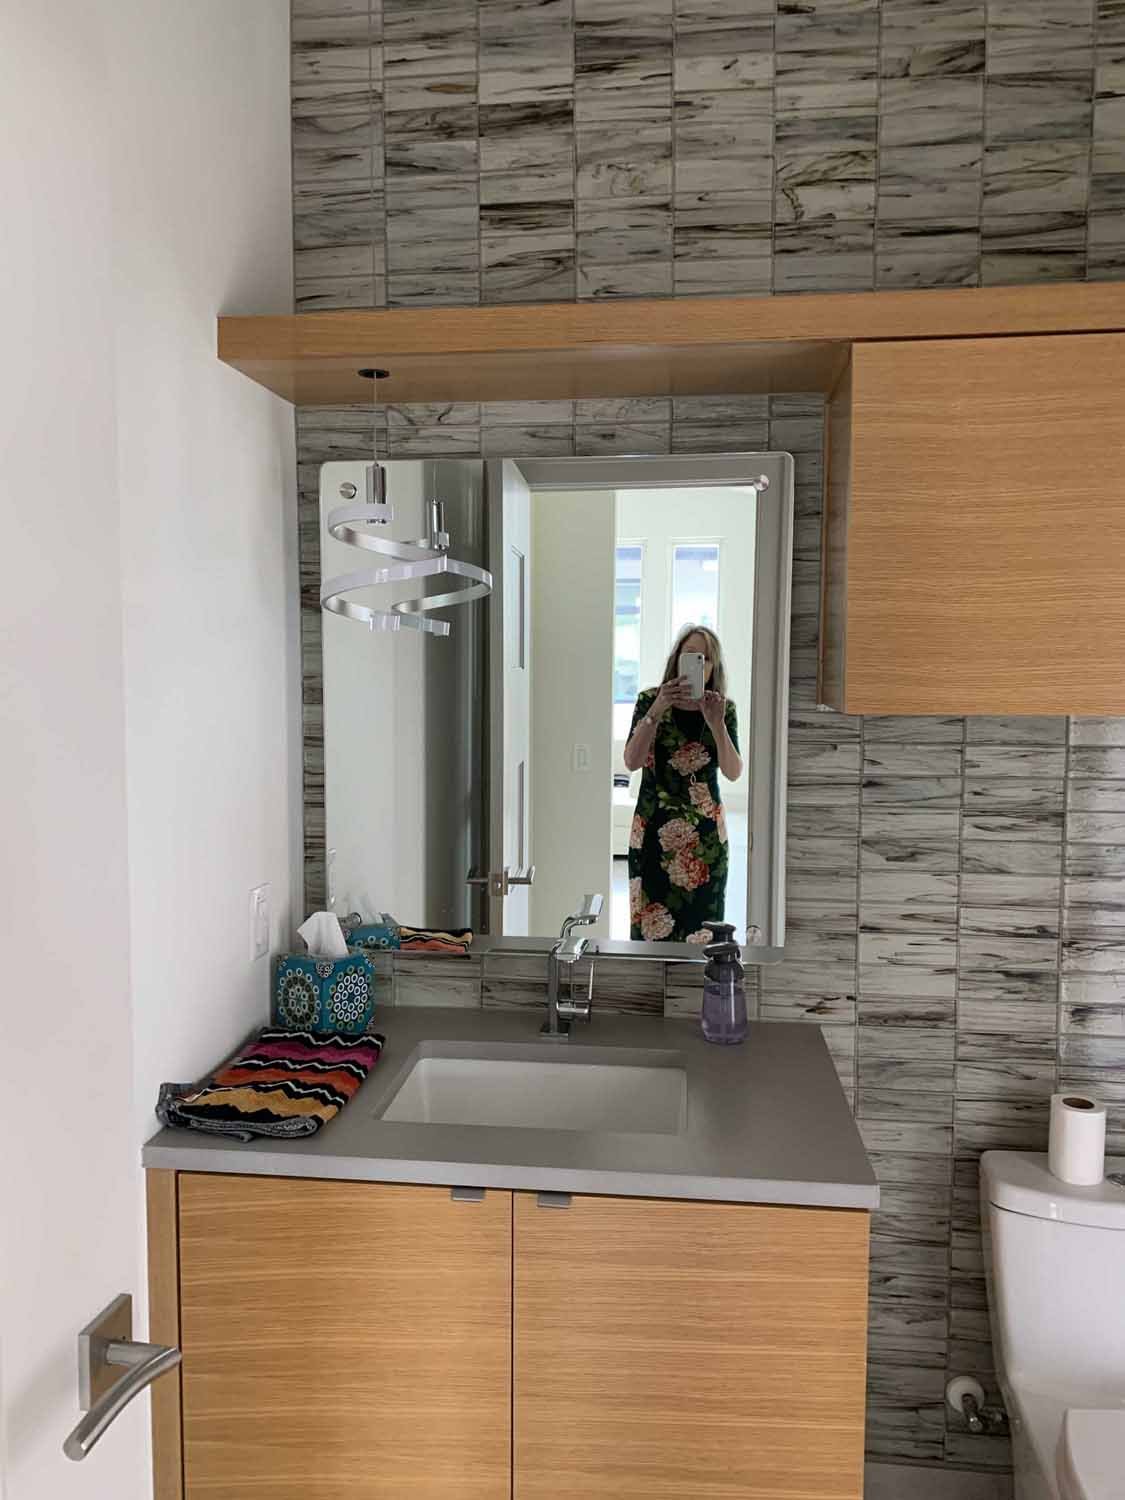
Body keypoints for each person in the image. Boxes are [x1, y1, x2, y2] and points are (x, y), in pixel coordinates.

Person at [623, 624, 743, 944]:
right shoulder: (649, 699)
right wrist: (656, 710)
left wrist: (716, 724)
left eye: (703, 659)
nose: (696, 664)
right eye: (689, 655)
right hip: (652, 833)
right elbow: (631, 762)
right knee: (650, 931)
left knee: (703, 934)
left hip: (704, 842)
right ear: (676, 659)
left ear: (712, 668)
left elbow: (733, 771)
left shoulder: (722, 709)